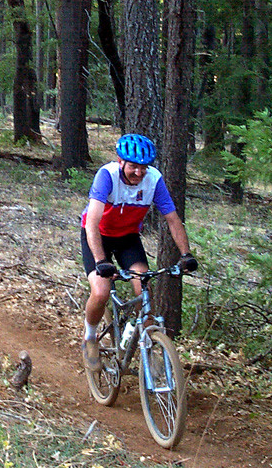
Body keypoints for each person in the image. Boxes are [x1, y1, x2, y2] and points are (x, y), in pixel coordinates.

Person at [80, 134, 198, 372]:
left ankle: (150, 347)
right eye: (133, 166)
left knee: (143, 287)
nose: (139, 173)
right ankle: (90, 337)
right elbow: (92, 223)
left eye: (143, 167)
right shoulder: (107, 176)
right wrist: (101, 260)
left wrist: (186, 254)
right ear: (120, 161)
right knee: (101, 291)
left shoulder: (154, 180)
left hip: (127, 238)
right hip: (98, 236)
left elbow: (173, 220)